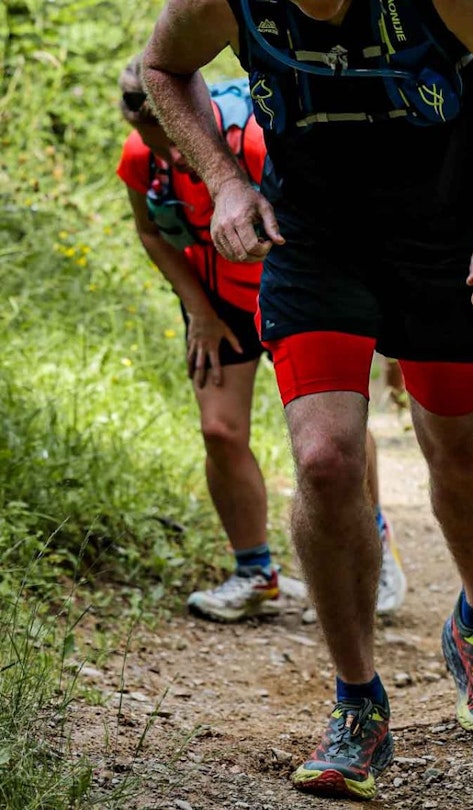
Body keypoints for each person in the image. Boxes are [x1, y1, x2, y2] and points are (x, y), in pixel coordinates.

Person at [142, 0, 473, 799]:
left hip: (449, 247)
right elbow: (163, 69)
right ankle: (359, 704)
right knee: (324, 459)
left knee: (455, 448)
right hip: (311, 246)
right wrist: (226, 182)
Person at [114, 57, 406, 622]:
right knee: (219, 429)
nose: (173, 157)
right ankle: (255, 573)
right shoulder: (140, 157)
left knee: (334, 433)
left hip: (297, 296)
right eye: (158, 144)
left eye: (178, 141)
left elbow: (341, 218)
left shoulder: (253, 142)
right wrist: (199, 311)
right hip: (219, 304)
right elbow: (150, 232)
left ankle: (371, 541)